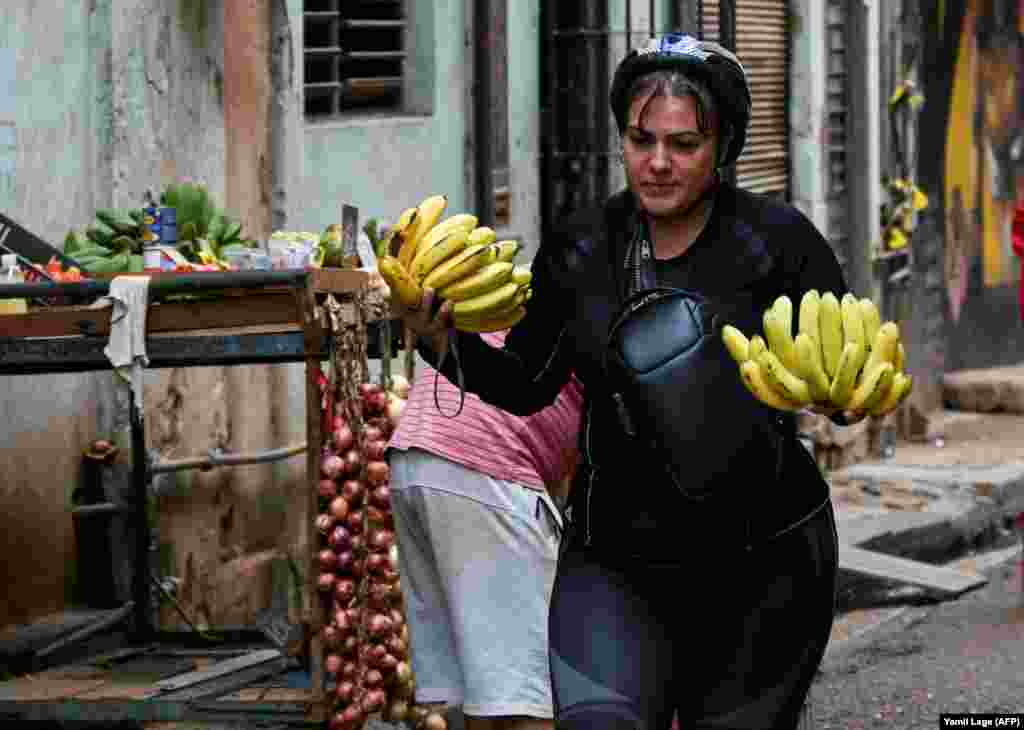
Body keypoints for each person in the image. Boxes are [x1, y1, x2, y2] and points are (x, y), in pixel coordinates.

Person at [394, 33, 865, 730]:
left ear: (723, 147)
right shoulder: (582, 246)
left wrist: (836, 399)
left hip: (762, 563)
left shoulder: (778, 244)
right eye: (641, 140)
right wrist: (440, 340)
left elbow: (843, 370)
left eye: (684, 144)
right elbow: (526, 383)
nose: (658, 162)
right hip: (615, 561)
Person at [386, 327, 583, 730]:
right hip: (481, 460)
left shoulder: (536, 304)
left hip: (414, 457)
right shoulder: (609, 313)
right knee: (531, 698)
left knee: (485, 694)